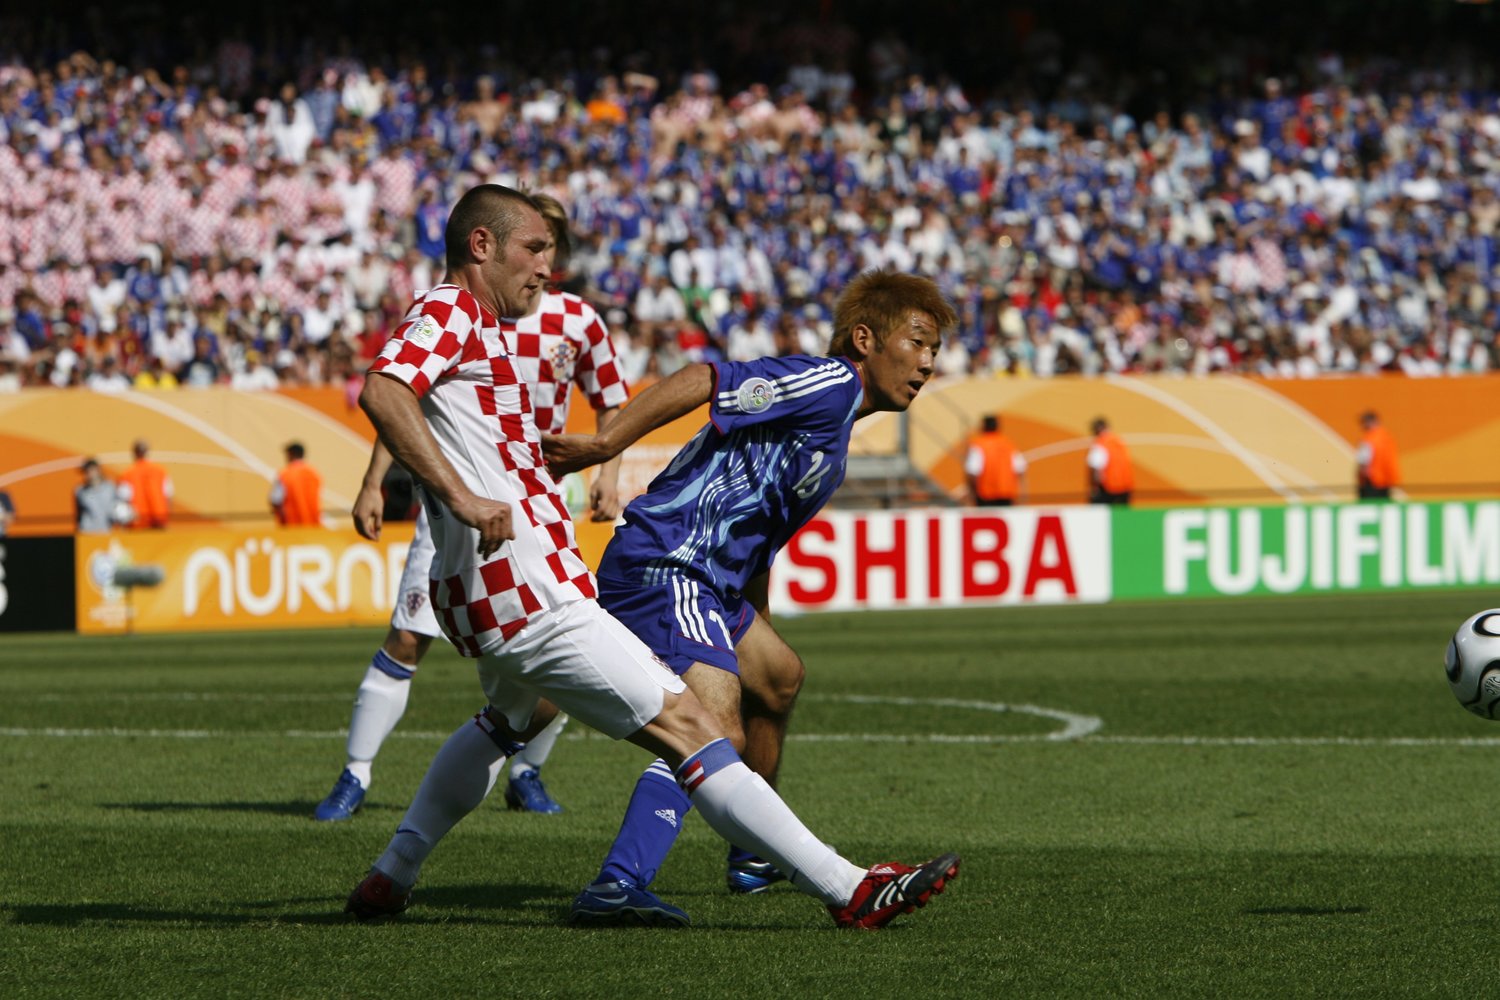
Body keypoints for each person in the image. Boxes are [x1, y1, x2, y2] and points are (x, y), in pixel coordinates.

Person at [343, 184, 958, 931]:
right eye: (536, 249)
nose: (549, 266)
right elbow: (382, 389)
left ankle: (392, 875)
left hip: (507, 582)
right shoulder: (447, 311)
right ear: (482, 246)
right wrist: (468, 496)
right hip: (532, 587)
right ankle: (848, 888)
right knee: (696, 729)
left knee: (505, 724)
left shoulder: (485, 328)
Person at [542, 267, 960, 926]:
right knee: (712, 730)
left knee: (779, 677)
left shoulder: (837, 429)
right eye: (918, 342)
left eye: (935, 350)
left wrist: (751, 631)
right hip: (667, 561)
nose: (928, 363)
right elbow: (705, 380)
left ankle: (751, 851)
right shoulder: (828, 382)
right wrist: (604, 445)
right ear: (864, 338)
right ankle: (617, 884)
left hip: (711, 582)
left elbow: (755, 540)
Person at [313, 191, 629, 822]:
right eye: (533, 245)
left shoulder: (579, 322)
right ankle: (355, 774)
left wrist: (608, 473)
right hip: (458, 497)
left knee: (561, 647)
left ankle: (527, 771)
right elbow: (405, 397)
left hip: (533, 504)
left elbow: (611, 398)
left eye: (550, 246)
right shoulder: (470, 310)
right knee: (407, 636)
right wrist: (376, 479)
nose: (543, 260)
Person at [965, 413, 1027, 506]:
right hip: (1006, 494)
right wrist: (1023, 494)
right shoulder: (1008, 444)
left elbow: (972, 472)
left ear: (982, 426)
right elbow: (1020, 469)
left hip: (985, 495)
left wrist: (971, 494)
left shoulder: (978, 445)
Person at [116, 440, 172, 528]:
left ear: (134, 453)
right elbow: (168, 495)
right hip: (159, 519)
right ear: (148, 451)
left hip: (138, 521)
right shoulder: (160, 471)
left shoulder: (127, 474)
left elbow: (124, 499)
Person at [270, 442, 322, 525]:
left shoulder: (284, 474)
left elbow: (276, 500)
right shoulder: (314, 473)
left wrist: (282, 519)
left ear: (291, 454)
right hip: (313, 524)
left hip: (292, 525)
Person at [1086, 417, 1134, 504]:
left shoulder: (1100, 444)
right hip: (1125, 487)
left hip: (1108, 488)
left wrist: (1094, 488)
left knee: (1100, 515)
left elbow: (1096, 467)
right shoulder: (1119, 442)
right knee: (1122, 515)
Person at [1356, 410, 1401, 501]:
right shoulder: (1387, 438)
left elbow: (1363, 462)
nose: (1362, 426)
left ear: (1370, 422)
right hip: (1386, 481)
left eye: (1364, 423)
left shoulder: (1369, 439)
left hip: (1372, 482)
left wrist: (1362, 482)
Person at [75, 459, 127, 533]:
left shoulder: (110, 487)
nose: (87, 475)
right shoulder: (80, 491)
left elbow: (118, 507)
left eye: (89, 471)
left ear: (97, 470)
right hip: (87, 534)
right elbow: (78, 515)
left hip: (106, 532)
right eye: (85, 472)